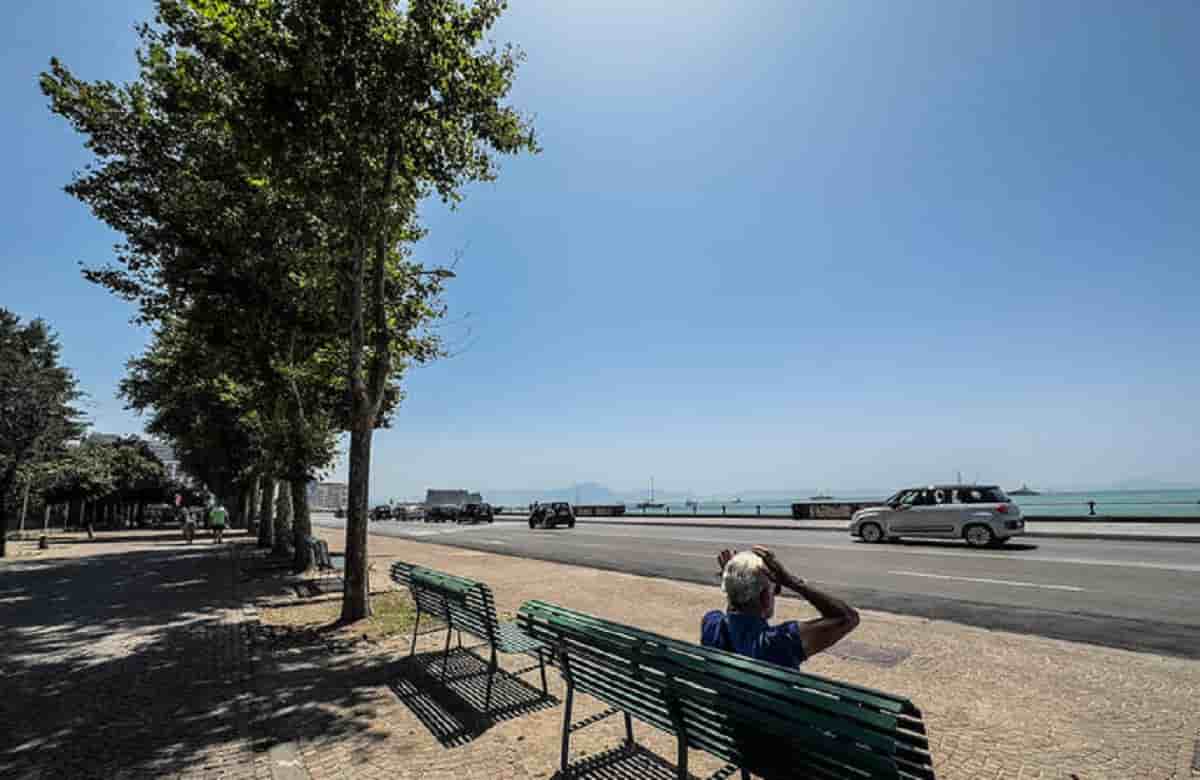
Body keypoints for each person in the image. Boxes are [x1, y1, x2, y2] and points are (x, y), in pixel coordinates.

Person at [701, 546, 859, 668]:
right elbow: (848, 618)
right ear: (764, 597)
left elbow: (732, 613)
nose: (776, 594)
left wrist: (734, 579)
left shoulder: (710, 623)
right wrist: (791, 582)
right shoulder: (780, 642)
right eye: (774, 589)